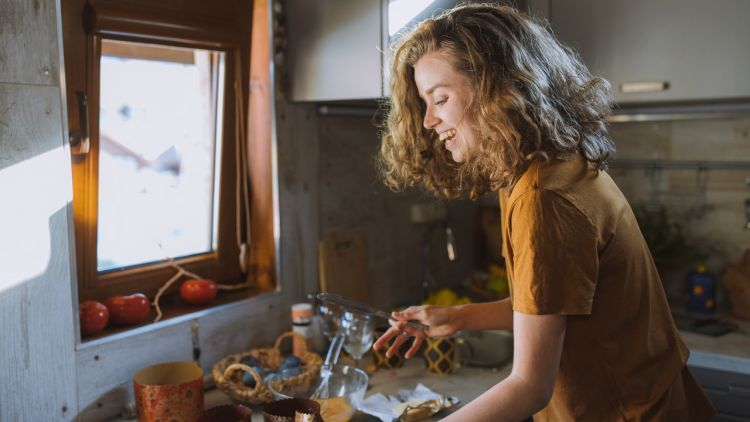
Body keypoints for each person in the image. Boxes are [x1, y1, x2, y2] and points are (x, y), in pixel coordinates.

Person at [372, 4, 715, 421]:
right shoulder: (544, 165)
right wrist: (457, 317)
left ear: (496, 88)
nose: (428, 120)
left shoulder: (542, 197)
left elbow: (528, 387)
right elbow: (551, 304)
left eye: (440, 98)